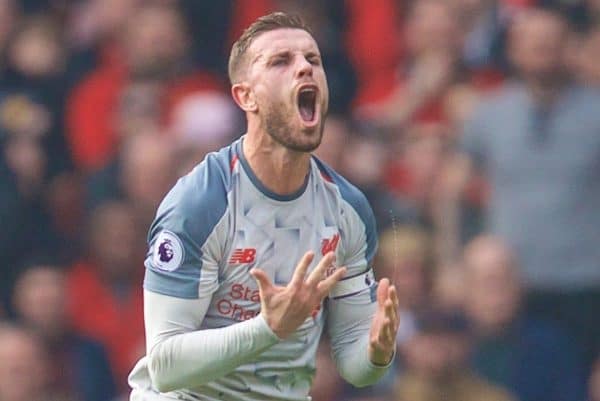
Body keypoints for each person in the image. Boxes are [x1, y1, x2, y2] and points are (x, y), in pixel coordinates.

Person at [128, 12, 400, 401]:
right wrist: (268, 327)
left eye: (313, 59)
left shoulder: (348, 210)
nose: (304, 68)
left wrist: (376, 353)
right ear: (245, 96)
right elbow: (166, 365)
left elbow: (355, 367)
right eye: (281, 61)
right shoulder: (202, 203)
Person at [436, 8, 600, 364]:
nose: (542, 51)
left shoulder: (596, 110)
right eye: (532, 43)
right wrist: (451, 262)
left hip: (587, 281)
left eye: (551, 43)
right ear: (513, 50)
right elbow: (451, 190)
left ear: (567, 47)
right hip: (510, 286)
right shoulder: (488, 113)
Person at [463, 235, 586, 401]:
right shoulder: (446, 342)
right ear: (467, 289)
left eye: (504, 280)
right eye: (487, 282)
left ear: (520, 285)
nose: (497, 293)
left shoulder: (552, 346)